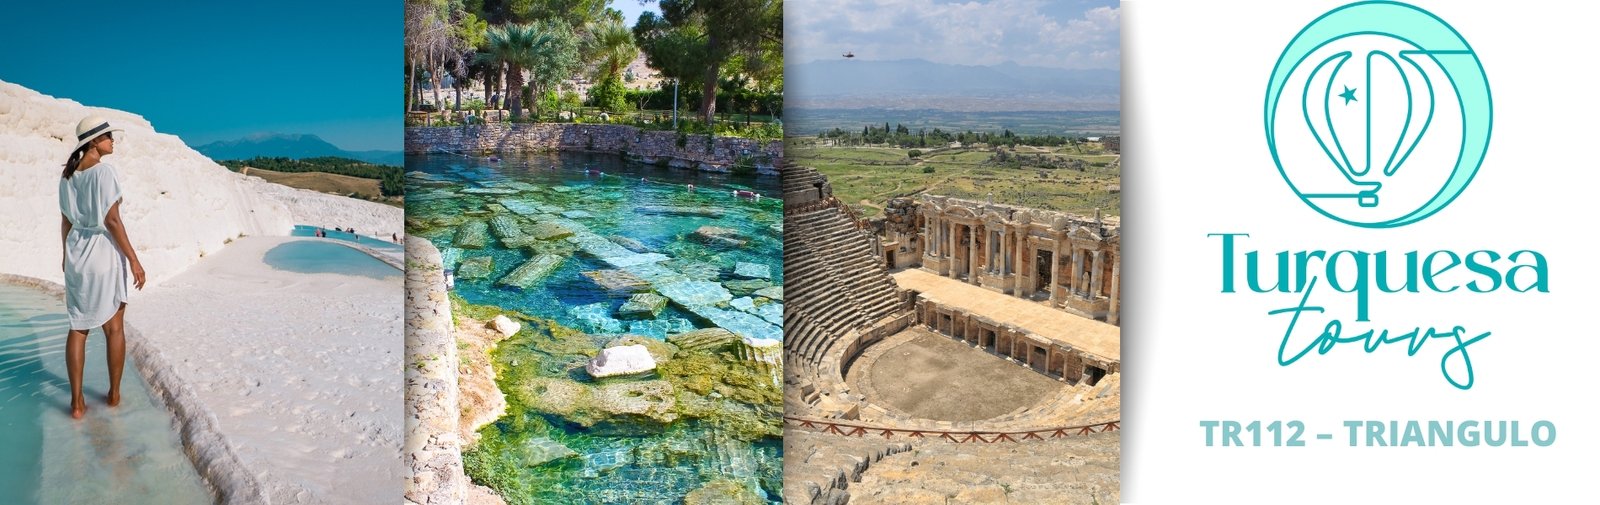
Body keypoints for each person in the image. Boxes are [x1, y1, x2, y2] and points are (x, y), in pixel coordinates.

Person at [59, 116, 145, 420]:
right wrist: (134, 260)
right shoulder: (104, 172)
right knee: (114, 326)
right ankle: (114, 395)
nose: (113, 140)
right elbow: (112, 221)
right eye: (108, 136)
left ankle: (77, 403)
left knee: (78, 326)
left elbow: (66, 221)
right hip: (102, 252)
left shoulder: (68, 176)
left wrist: (65, 255)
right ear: (94, 141)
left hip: (77, 251)